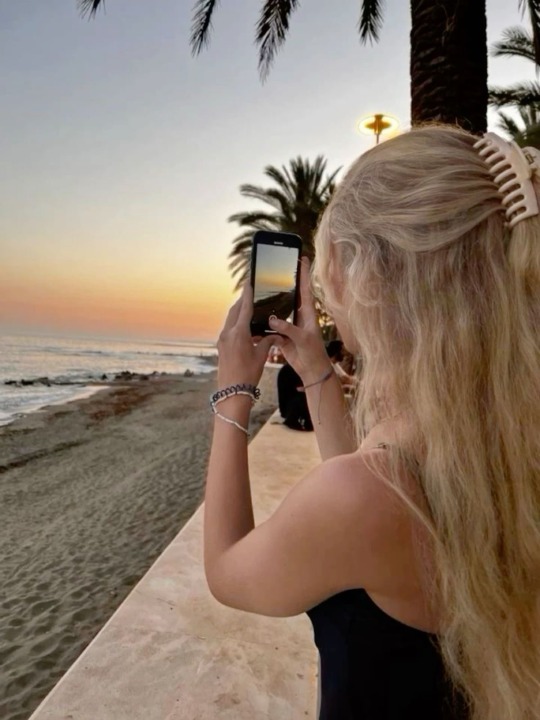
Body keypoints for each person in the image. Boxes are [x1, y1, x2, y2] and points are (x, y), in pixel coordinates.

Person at [205, 127, 540, 719]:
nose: (326, 292)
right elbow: (367, 506)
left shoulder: (369, 497)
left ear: (371, 281)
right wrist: (316, 370)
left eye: (331, 267)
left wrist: (234, 395)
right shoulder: (495, 437)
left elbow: (229, 572)